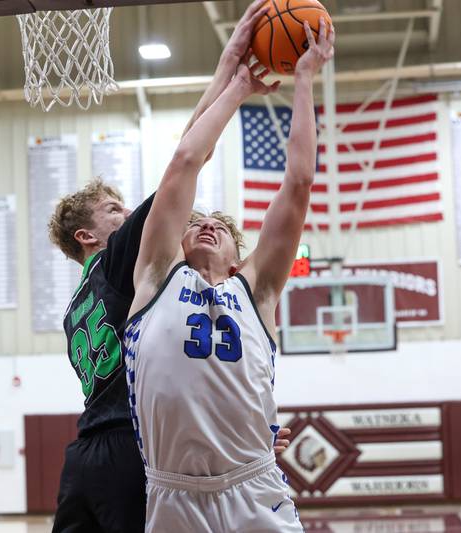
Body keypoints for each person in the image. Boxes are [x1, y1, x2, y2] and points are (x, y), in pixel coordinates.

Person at [46, 2, 289, 531]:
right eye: (115, 210)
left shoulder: (74, 308)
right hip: (134, 451)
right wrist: (229, 73)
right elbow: (187, 155)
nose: (131, 213)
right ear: (86, 235)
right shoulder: (119, 264)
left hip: (82, 454)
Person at [123, 17, 335, 532]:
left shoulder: (256, 289)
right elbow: (184, 163)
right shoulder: (156, 277)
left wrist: (305, 79)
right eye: (198, 223)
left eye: (219, 225)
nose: (208, 224)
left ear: (239, 258)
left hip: (255, 487)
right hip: (173, 493)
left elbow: (300, 182)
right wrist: (238, 85)